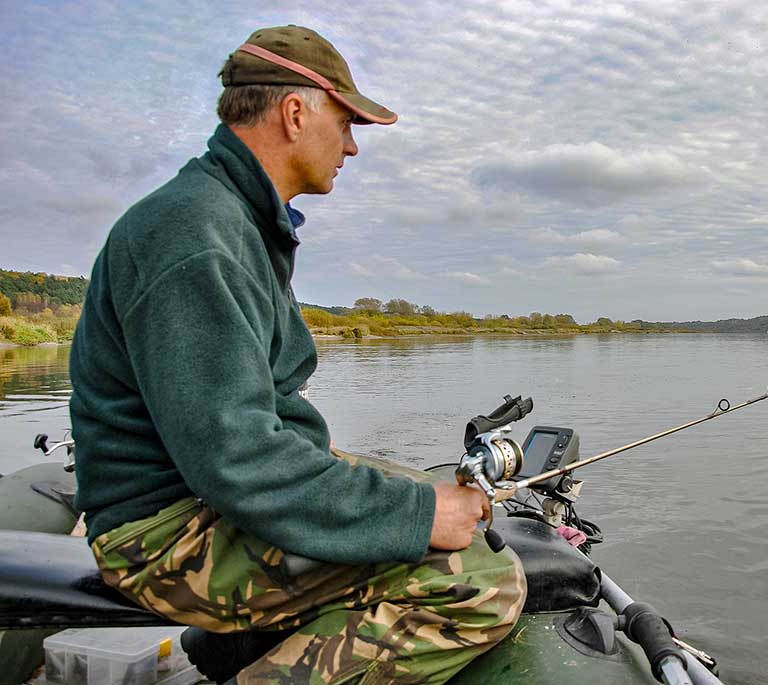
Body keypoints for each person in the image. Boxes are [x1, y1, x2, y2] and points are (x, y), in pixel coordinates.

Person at [69, 25, 526, 684]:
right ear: (294, 111)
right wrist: (420, 513)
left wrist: (411, 500)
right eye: (345, 122)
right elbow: (242, 459)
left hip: (204, 498)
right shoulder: (196, 232)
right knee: (482, 581)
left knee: (414, 491)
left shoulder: (234, 218)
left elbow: (258, 432)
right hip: (161, 534)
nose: (352, 145)